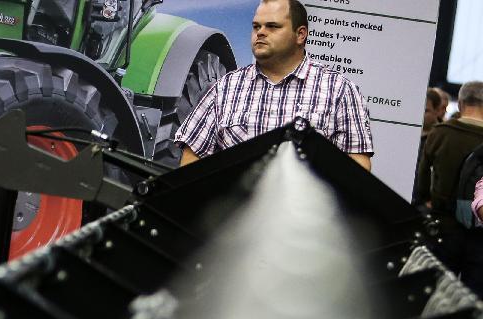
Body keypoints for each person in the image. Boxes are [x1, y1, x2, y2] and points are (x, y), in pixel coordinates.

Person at [175, 0, 373, 171]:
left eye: (272, 26)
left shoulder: (339, 90)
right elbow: (192, 157)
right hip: (236, 212)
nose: (260, 33)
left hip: (305, 212)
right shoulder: (225, 88)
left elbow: (357, 167)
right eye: (256, 26)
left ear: (300, 34)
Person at [417, 81, 483, 295]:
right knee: (472, 301)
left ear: (461, 103)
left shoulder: (440, 132)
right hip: (479, 235)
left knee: (437, 293)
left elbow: (422, 178)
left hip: (442, 228)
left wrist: (425, 199)